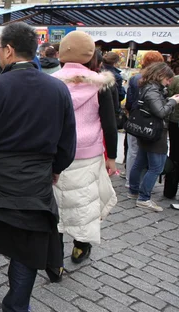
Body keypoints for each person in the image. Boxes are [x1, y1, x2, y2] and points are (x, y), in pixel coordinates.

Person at [0, 22, 76, 312]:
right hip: (35, 181)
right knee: (27, 246)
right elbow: (67, 142)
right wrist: (56, 168)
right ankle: (17, 305)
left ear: (9, 50)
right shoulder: (58, 90)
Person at [51, 31, 118, 269]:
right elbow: (110, 125)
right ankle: (81, 246)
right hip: (88, 153)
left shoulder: (51, 81)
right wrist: (111, 157)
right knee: (85, 203)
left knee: (56, 204)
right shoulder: (101, 84)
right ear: (91, 55)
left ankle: (55, 261)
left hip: (56, 153)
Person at [128, 62, 179, 212]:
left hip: (146, 131)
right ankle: (144, 198)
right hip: (155, 133)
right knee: (156, 167)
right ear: (161, 75)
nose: (169, 82)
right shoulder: (152, 90)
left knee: (140, 161)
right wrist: (173, 101)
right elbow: (161, 112)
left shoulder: (147, 86)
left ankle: (134, 190)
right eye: (168, 80)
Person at [124, 51, 165, 187]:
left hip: (135, 117)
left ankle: (131, 181)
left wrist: (130, 112)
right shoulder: (156, 81)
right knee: (144, 153)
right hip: (150, 121)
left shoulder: (135, 78)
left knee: (133, 151)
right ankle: (141, 183)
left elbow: (129, 101)